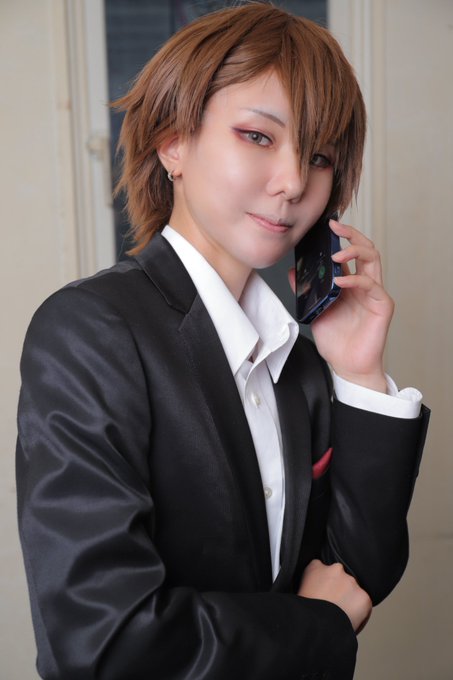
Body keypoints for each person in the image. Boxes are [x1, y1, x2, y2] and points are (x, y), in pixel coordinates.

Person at [16, 3, 430, 679]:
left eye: (319, 156)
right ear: (172, 143)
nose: (293, 182)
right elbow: (103, 642)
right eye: (258, 136)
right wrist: (316, 625)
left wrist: (359, 374)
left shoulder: (298, 357)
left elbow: (360, 574)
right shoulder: (91, 331)